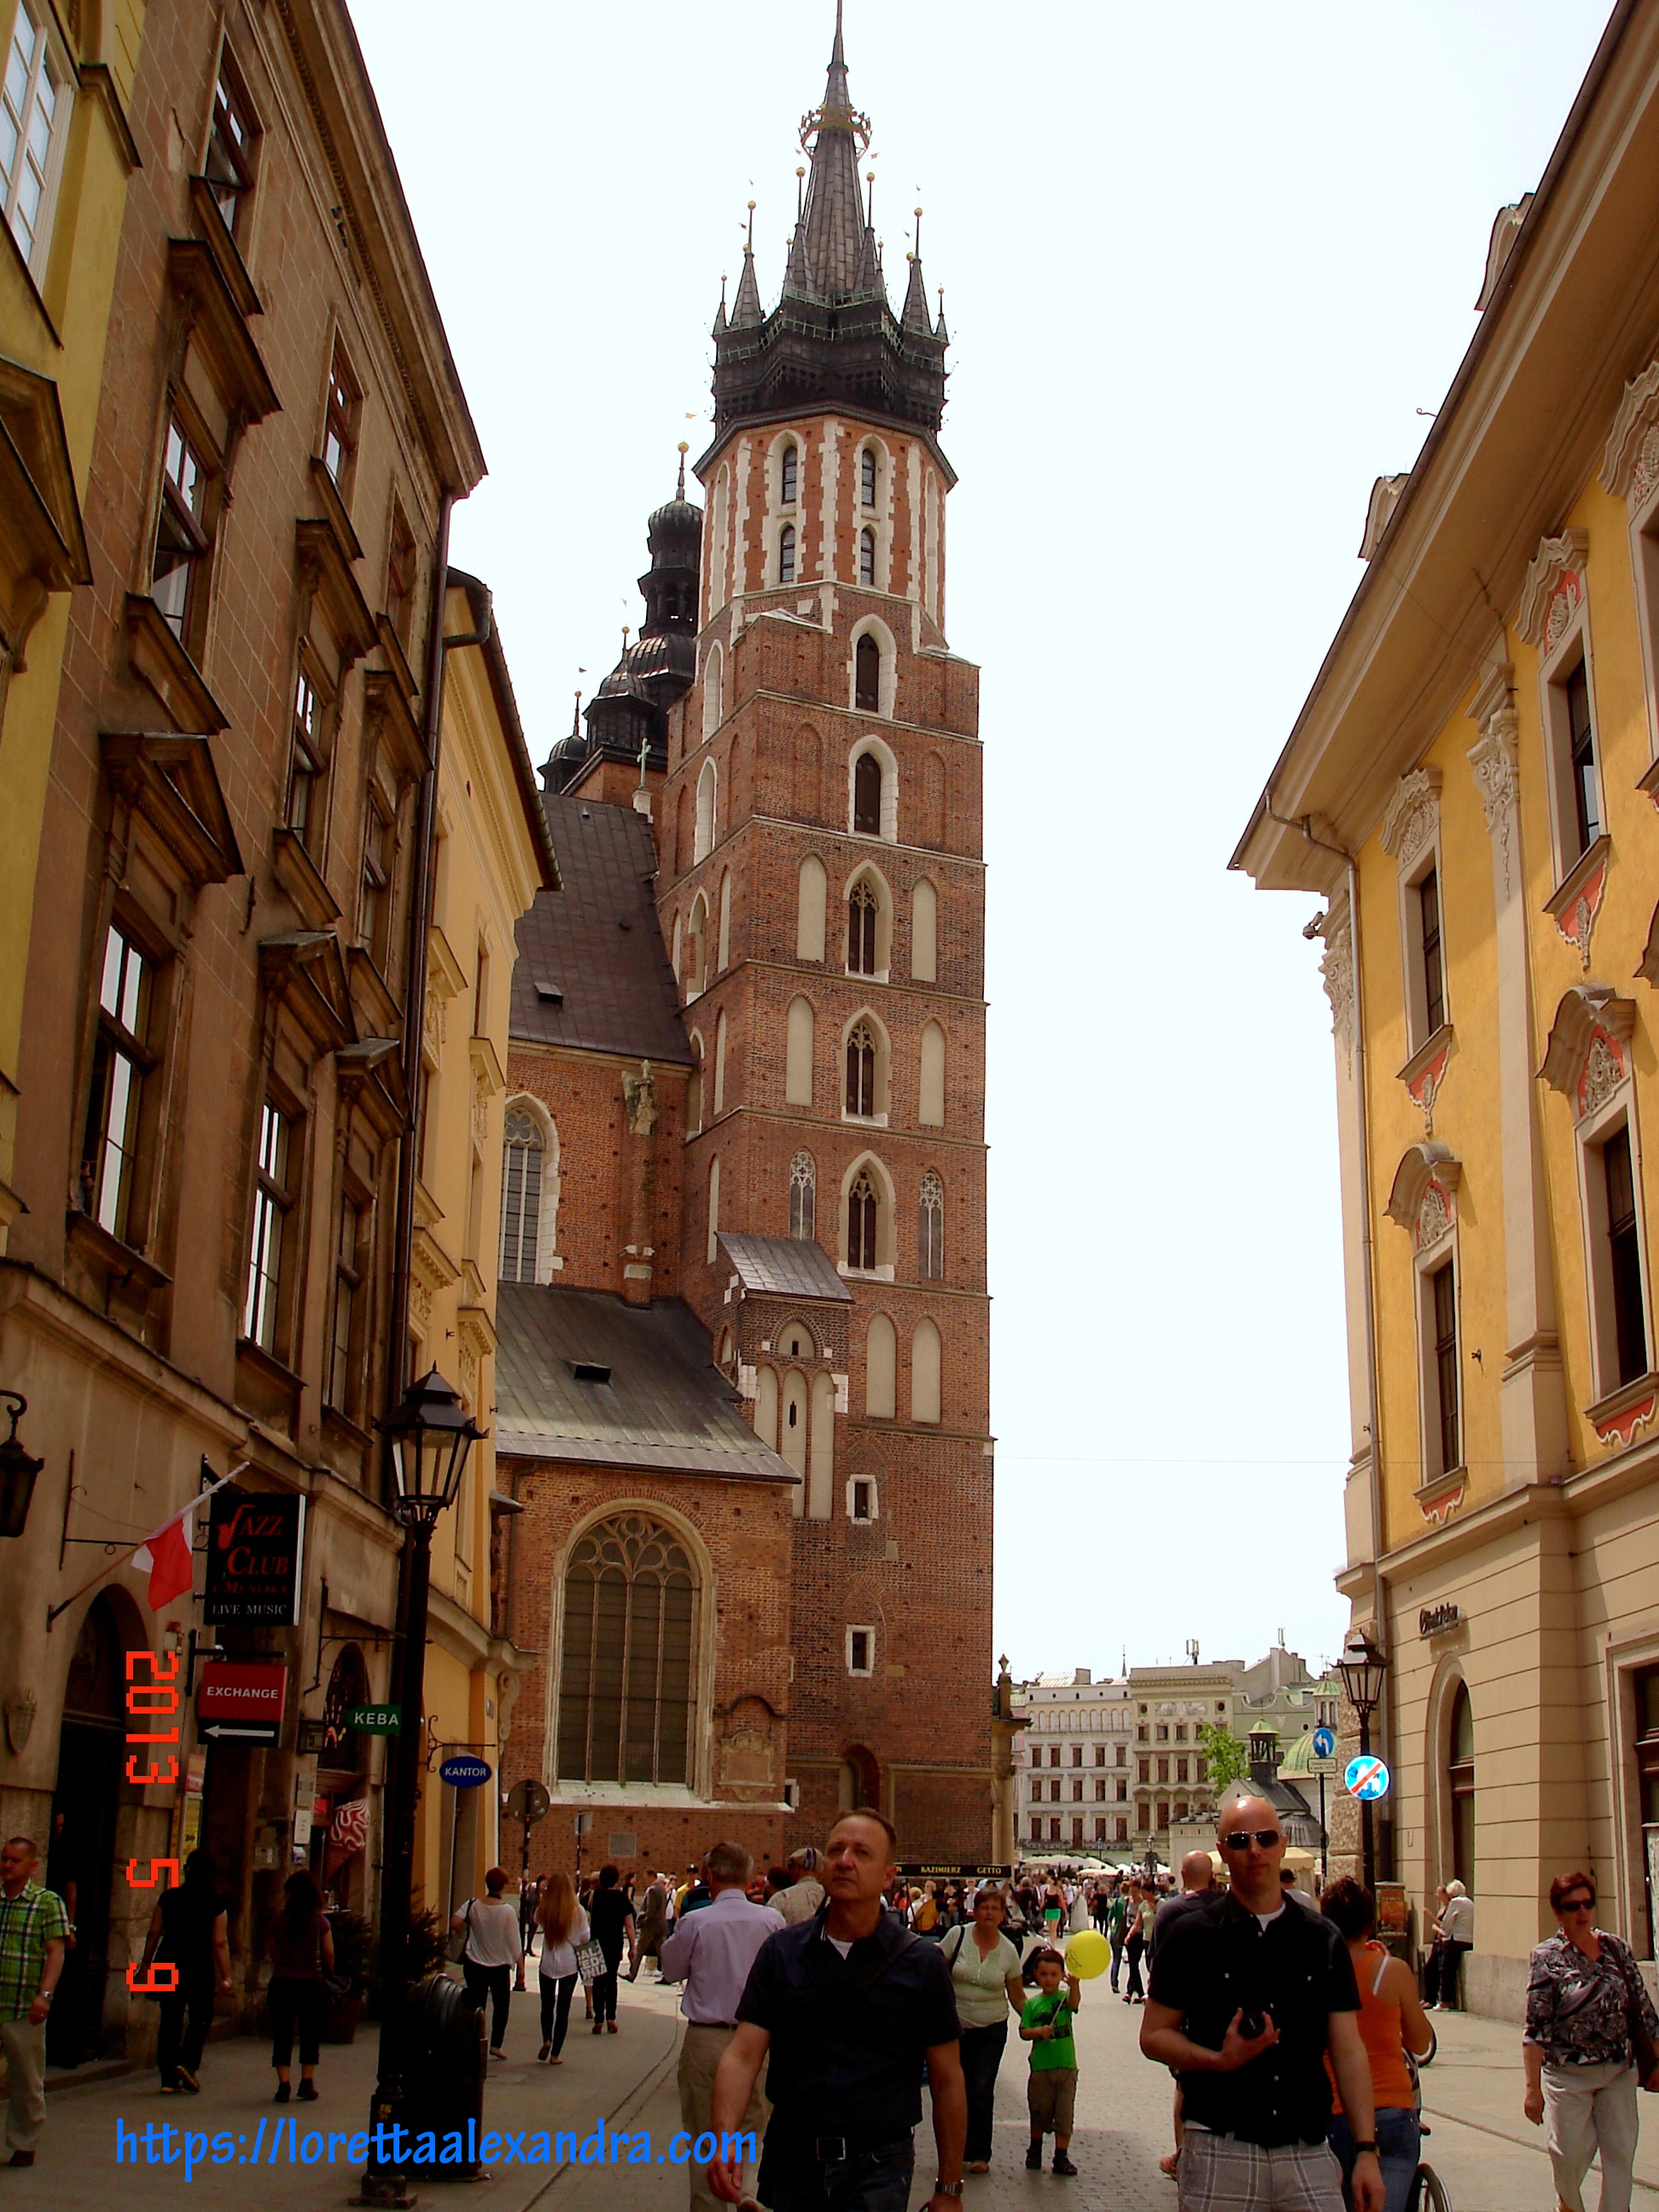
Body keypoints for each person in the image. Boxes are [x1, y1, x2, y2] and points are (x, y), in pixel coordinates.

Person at [707, 1806, 966, 2212]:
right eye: (836, 1850)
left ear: (888, 1876)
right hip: (792, 2157)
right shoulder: (782, 1952)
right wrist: (723, 2141)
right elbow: (742, 2056)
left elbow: (947, 2080)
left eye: (862, 1853)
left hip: (878, 2164)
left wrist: (949, 2187)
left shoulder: (921, 1964)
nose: (845, 1861)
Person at [1141, 1793, 1383, 2212]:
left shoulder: (1322, 1938)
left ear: (1282, 1844)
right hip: (1220, 2145)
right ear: (1222, 1853)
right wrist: (1218, 2060)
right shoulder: (1191, 1936)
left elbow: (1348, 2051)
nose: (1254, 1850)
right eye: (1240, 1841)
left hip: (1306, 2147)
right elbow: (1153, 2035)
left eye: (1265, 1838)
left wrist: (1366, 2150)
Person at [1522, 1869, 1659, 2212]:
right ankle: (1569, 2204)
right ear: (1558, 1911)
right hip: (1568, 2075)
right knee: (1567, 2155)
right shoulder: (1547, 1957)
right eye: (1573, 1906)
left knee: (1620, 2155)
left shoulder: (1616, 1948)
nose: (1582, 1912)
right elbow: (1535, 2028)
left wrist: (1657, 2060)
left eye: (1588, 1904)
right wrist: (1532, 2089)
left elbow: (1643, 2009)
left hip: (1618, 2070)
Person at [660, 1842, 785, 2212]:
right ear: (749, 1877)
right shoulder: (772, 1921)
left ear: (708, 1876)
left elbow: (671, 1969)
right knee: (752, 2126)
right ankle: (746, 2192)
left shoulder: (696, 1922)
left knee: (704, 2134)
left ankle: (709, 2203)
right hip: (757, 2037)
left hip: (707, 2036)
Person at [1320, 1877, 1434, 2212]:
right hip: (1393, 2109)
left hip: (1337, 2111)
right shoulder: (1392, 1971)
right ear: (1370, 1923)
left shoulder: (1317, 1973)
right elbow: (1420, 2042)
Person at [940, 1883, 1025, 2173]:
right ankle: (954, 2149)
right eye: (984, 1908)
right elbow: (935, 1971)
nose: (989, 1913)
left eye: (995, 1909)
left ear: (1002, 1914)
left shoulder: (1008, 1951)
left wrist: (1036, 2020)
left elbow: (1017, 1995)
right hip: (955, 2026)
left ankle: (979, 2153)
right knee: (954, 2088)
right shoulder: (957, 1936)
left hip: (991, 2028)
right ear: (974, 1911)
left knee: (981, 2087)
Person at [1151, 1853, 1221, 2180]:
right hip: (1220, 2005)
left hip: (1181, 2008)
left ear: (1181, 1874)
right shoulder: (1227, 1907)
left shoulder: (1171, 1911)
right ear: (1212, 1875)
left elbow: (1156, 1961)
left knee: (1184, 2082)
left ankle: (1183, 2155)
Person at [138, 1848, 231, 2093]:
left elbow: (154, 1932)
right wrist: (227, 1976)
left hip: (166, 1961)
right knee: (201, 2015)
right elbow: (219, 1942)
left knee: (170, 2018)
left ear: (187, 1870)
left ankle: (168, 2078)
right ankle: (187, 2063)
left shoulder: (168, 1898)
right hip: (198, 1964)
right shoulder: (215, 1903)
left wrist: (145, 1964)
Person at [0, 1836, 67, 2167]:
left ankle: (24, 2142)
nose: (7, 1866)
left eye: (15, 1861)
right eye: (4, 1859)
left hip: (22, 2004)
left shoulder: (46, 1902)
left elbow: (56, 1952)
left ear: (32, 1866)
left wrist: (44, 1996)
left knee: (26, 2078)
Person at [266, 1868, 333, 2104]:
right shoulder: (320, 1923)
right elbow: (329, 1953)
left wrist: (284, 1962)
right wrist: (330, 1971)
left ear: (290, 1895)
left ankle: (283, 2084)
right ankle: (306, 2081)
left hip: (282, 1981)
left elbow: (273, 1950)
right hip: (309, 1982)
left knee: (282, 2033)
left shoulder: (278, 1921)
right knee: (310, 2032)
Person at [1020, 1948, 1082, 2176]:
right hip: (1041, 2068)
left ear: (1061, 1975)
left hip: (1066, 2067)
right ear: (1036, 1974)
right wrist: (1038, 2032)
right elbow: (1023, 2031)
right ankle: (1035, 2149)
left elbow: (1075, 2004)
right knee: (1039, 2111)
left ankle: (1061, 2155)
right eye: (1044, 1974)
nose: (1049, 1979)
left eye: (1054, 1975)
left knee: (1065, 2115)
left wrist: (1075, 1985)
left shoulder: (1064, 1999)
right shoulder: (1032, 2004)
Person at [451, 1865, 521, 2058]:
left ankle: (475, 2040)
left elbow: (454, 1923)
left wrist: (470, 1924)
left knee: (476, 2005)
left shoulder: (473, 1905)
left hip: (475, 1962)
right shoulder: (507, 1911)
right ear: (504, 1885)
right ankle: (496, 2044)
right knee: (501, 2006)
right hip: (500, 1966)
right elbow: (514, 1942)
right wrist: (521, 1969)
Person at [534, 1872, 587, 2064]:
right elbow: (585, 1938)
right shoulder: (578, 1911)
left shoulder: (544, 1909)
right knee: (563, 2010)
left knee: (546, 2006)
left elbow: (536, 1921)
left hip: (547, 1962)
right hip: (569, 1964)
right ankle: (556, 2054)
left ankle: (546, 2040)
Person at [588, 1861, 635, 2033]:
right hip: (614, 1944)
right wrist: (633, 1946)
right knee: (611, 1980)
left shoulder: (594, 1896)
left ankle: (598, 2019)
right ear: (616, 1879)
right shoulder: (622, 1898)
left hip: (596, 1944)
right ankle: (611, 2018)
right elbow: (629, 1924)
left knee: (597, 1981)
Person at [1432, 1880, 1473, 2011]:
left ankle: (1445, 2001)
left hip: (1455, 1940)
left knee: (1446, 1970)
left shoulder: (1455, 1903)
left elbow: (1446, 1925)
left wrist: (1440, 1931)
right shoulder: (1470, 1903)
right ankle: (1449, 2000)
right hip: (1469, 1940)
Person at [630, 1870, 672, 1979]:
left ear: (651, 1876)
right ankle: (669, 1974)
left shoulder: (652, 1890)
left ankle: (632, 1973)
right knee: (661, 1951)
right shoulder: (662, 1889)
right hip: (661, 1924)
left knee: (640, 1949)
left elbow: (650, 1910)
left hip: (651, 1925)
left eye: (646, 1877)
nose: (645, 1880)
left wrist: (644, 1921)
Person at [775, 1847, 825, 1929]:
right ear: (820, 1873)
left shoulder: (781, 1899)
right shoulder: (833, 1899)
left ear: (796, 1868)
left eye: (790, 1867)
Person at [1420, 1886, 1451, 2008]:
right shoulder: (1442, 1909)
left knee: (1432, 1969)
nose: (1437, 1896)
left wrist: (1429, 1915)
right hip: (1436, 1941)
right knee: (1428, 1968)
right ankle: (1428, 1998)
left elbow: (1442, 1925)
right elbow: (1435, 1926)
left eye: (1439, 1893)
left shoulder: (1450, 1908)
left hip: (1443, 1942)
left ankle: (1431, 1999)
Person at [1105, 1882, 1130, 1994]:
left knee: (1116, 1959)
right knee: (1133, 1960)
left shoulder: (1116, 1902)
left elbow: (1109, 1918)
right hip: (1127, 1932)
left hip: (1116, 1932)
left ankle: (1114, 1982)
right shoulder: (1130, 1902)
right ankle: (1132, 1984)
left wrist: (1112, 1929)